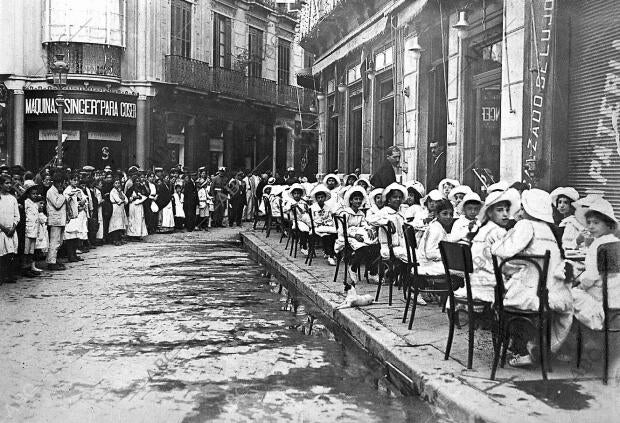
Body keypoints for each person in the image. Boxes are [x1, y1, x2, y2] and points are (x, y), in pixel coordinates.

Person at [491, 189, 573, 368]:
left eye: (522, 206)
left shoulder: (526, 225)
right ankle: (539, 348)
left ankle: (521, 348)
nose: (520, 211)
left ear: (529, 208)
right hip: (554, 293)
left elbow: (503, 251)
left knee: (500, 289)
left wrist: (499, 242)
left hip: (530, 294)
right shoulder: (549, 230)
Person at [452, 189, 519, 303]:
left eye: (507, 210)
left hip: (474, 281)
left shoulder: (482, 229)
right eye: (499, 210)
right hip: (490, 286)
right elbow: (507, 263)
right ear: (489, 212)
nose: (505, 214)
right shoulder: (497, 231)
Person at [571, 198, 619, 331]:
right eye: (589, 222)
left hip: (601, 298)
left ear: (608, 225)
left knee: (568, 295)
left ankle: (572, 341)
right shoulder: (615, 242)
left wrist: (580, 283)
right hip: (616, 295)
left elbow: (590, 277)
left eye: (596, 223)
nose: (591, 226)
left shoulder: (598, 245)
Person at [334, 186, 379, 291]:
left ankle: (372, 272)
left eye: (359, 199)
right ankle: (352, 268)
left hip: (359, 235)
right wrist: (354, 235)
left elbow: (364, 224)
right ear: (350, 200)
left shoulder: (361, 213)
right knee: (362, 248)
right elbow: (343, 230)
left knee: (375, 246)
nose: (358, 201)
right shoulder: (345, 213)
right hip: (347, 236)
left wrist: (368, 229)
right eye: (356, 199)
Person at [417, 199, 454, 276]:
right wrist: (449, 255)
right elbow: (430, 253)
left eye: (451, 214)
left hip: (431, 262)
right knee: (463, 268)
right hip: (429, 265)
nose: (448, 217)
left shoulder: (437, 225)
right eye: (445, 214)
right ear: (437, 214)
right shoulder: (436, 229)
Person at [303, 185, 338, 265]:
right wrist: (315, 224)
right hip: (317, 227)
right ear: (316, 198)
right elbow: (307, 218)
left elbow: (330, 218)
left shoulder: (328, 208)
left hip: (326, 227)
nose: (320, 199)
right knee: (325, 234)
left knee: (332, 234)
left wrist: (327, 222)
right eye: (318, 197)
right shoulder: (312, 208)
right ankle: (329, 253)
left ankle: (330, 254)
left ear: (325, 198)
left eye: (322, 197)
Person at [0, 175, 20, 283]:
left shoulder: (12, 199)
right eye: (6, 183)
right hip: (1, 231)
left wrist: (13, 227)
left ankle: (9, 274)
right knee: (1, 254)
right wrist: (3, 228)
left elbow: (17, 215)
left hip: (11, 230)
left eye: (9, 183)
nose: (9, 185)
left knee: (10, 254)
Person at [46, 171, 67, 270]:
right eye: (59, 182)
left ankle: (54, 259)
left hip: (60, 219)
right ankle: (51, 262)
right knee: (54, 242)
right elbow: (57, 204)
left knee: (59, 241)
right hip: (55, 220)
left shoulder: (58, 191)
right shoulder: (51, 192)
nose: (61, 184)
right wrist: (63, 195)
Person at [22, 181, 42, 276]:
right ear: (28, 194)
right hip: (28, 229)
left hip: (34, 229)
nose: (34, 195)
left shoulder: (35, 204)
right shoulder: (26, 203)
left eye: (36, 194)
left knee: (31, 250)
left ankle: (30, 267)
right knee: (26, 250)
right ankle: (25, 269)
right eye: (32, 194)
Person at [108, 178, 128, 246]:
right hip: (115, 208)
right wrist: (122, 199)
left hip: (121, 209)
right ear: (113, 184)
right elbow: (118, 200)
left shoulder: (120, 191)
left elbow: (126, 200)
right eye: (116, 183)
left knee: (121, 224)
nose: (117, 184)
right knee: (116, 224)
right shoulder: (113, 191)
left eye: (118, 183)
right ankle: (115, 239)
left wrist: (121, 194)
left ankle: (120, 238)